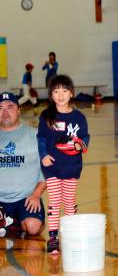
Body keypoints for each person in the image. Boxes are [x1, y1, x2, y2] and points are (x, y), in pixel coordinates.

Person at [37, 75, 89, 254]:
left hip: (71, 166)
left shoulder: (79, 117)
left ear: (71, 93)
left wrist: (80, 145)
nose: (60, 95)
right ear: (51, 95)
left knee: (69, 202)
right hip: (51, 167)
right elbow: (41, 138)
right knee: (55, 200)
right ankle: (53, 238)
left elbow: (85, 138)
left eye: (64, 91)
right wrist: (43, 155)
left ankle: (70, 235)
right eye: (56, 91)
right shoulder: (46, 116)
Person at [0, 92, 46, 238]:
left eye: (10, 107)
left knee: (33, 228)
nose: (5, 112)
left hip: (25, 198)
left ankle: (11, 223)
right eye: (0, 108)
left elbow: (47, 171)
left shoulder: (35, 135)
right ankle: (9, 223)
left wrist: (36, 194)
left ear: (18, 110)